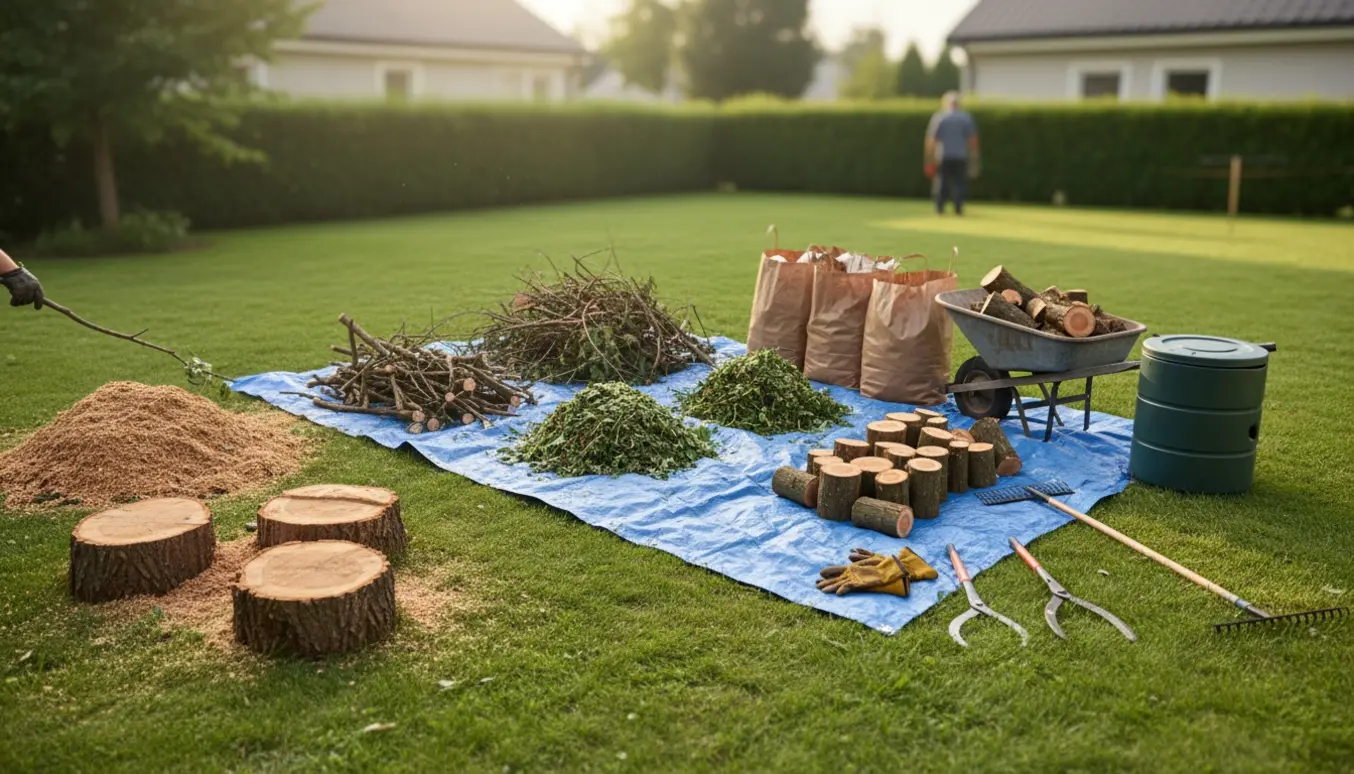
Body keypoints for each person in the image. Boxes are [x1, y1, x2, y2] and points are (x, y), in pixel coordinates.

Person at [924, 91, 980, 216]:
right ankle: (958, 208)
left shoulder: (939, 117)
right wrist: (975, 155)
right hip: (960, 155)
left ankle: (940, 208)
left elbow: (931, 139)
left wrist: (929, 157)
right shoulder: (966, 118)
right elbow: (972, 139)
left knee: (942, 182)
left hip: (943, 155)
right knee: (960, 183)